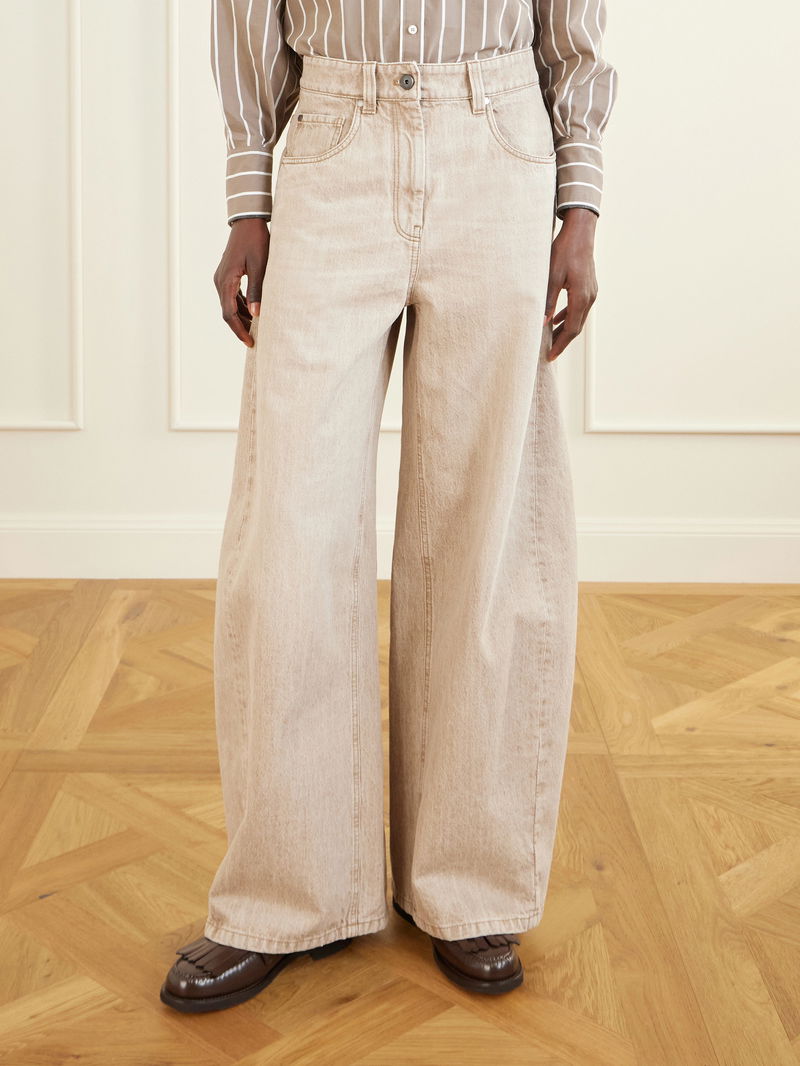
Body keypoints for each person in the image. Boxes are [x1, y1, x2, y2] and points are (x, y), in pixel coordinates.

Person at [161, 0, 617, 1012]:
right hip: (332, 146)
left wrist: (579, 207)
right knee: (289, 536)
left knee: (482, 539)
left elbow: (572, 30)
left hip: (497, 142)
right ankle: (286, 894)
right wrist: (248, 199)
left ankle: (467, 883)